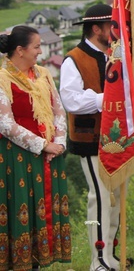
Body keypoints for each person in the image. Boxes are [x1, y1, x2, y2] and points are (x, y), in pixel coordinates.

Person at [0, 25, 71, 270]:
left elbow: (58, 109)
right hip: (18, 157)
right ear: (20, 50)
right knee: (23, 209)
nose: (41, 52)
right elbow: (6, 124)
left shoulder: (42, 74)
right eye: (37, 47)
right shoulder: (2, 79)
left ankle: (40, 260)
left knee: (44, 209)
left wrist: (59, 143)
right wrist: (43, 145)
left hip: (50, 156)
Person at [59, 4, 121, 271]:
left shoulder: (114, 55)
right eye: (111, 26)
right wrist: (107, 98)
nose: (114, 31)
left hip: (115, 138)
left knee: (116, 197)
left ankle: (110, 255)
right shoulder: (74, 58)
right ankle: (97, 260)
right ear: (97, 29)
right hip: (89, 138)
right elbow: (71, 101)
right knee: (100, 196)